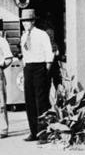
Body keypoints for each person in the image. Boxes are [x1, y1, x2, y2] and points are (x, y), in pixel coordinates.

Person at [20, 8, 57, 141]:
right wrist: (25, 67)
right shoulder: (24, 36)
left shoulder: (42, 34)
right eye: (23, 21)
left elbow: (49, 53)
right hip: (28, 68)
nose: (25, 23)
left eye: (28, 21)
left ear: (33, 21)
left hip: (40, 67)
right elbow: (24, 54)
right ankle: (33, 132)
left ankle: (43, 133)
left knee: (41, 101)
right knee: (29, 101)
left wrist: (46, 68)